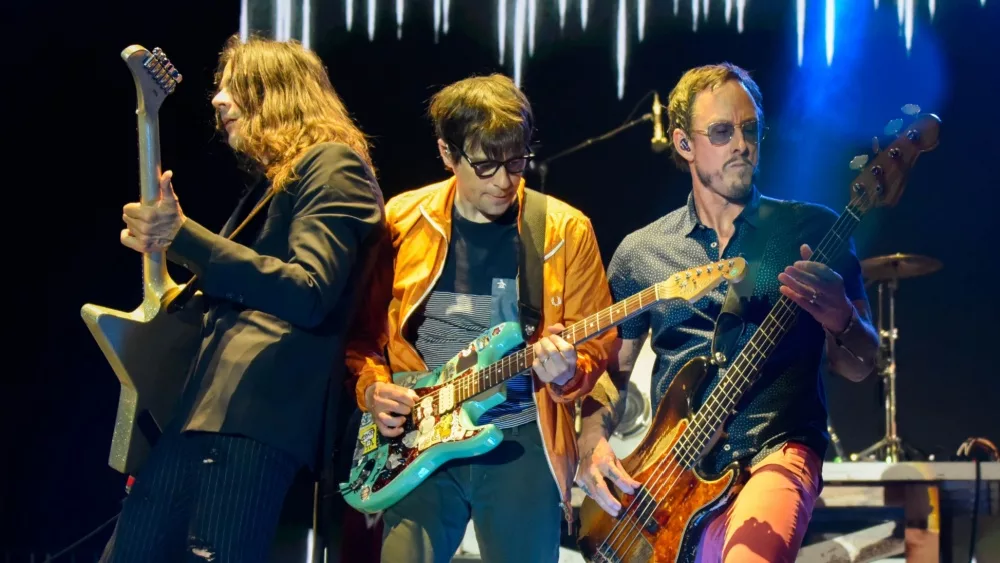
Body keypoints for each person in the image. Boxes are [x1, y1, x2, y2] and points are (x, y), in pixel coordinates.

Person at [575, 63, 880, 562]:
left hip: (775, 450)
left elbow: (859, 364)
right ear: (683, 143)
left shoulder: (811, 230)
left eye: (750, 129)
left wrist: (841, 316)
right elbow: (613, 374)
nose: (741, 144)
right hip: (671, 472)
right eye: (721, 131)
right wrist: (592, 443)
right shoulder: (642, 253)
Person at [102, 35, 387, 562]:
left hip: (252, 420)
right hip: (204, 415)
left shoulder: (334, 165)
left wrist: (184, 235)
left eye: (236, 86)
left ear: (277, 93)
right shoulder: (271, 185)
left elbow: (309, 291)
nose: (218, 100)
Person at [345, 73, 616, 563]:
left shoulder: (564, 229)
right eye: (486, 165)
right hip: (418, 443)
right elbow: (361, 337)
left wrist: (569, 371)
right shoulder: (401, 221)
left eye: (515, 162)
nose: (504, 181)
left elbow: (600, 345)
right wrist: (371, 389)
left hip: (521, 439)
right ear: (447, 154)